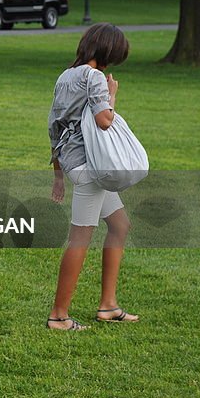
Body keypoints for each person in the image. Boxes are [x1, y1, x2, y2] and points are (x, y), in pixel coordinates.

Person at [46, 23, 139, 331]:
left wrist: (58, 174)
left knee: (119, 224)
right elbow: (103, 121)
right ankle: (59, 315)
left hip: (75, 165)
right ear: (108, 51)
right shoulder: (94, 76)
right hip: (91, 168)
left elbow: (54, 128)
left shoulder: (65, 76)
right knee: (80, 238)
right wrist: (111, 96)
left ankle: (108, 306)